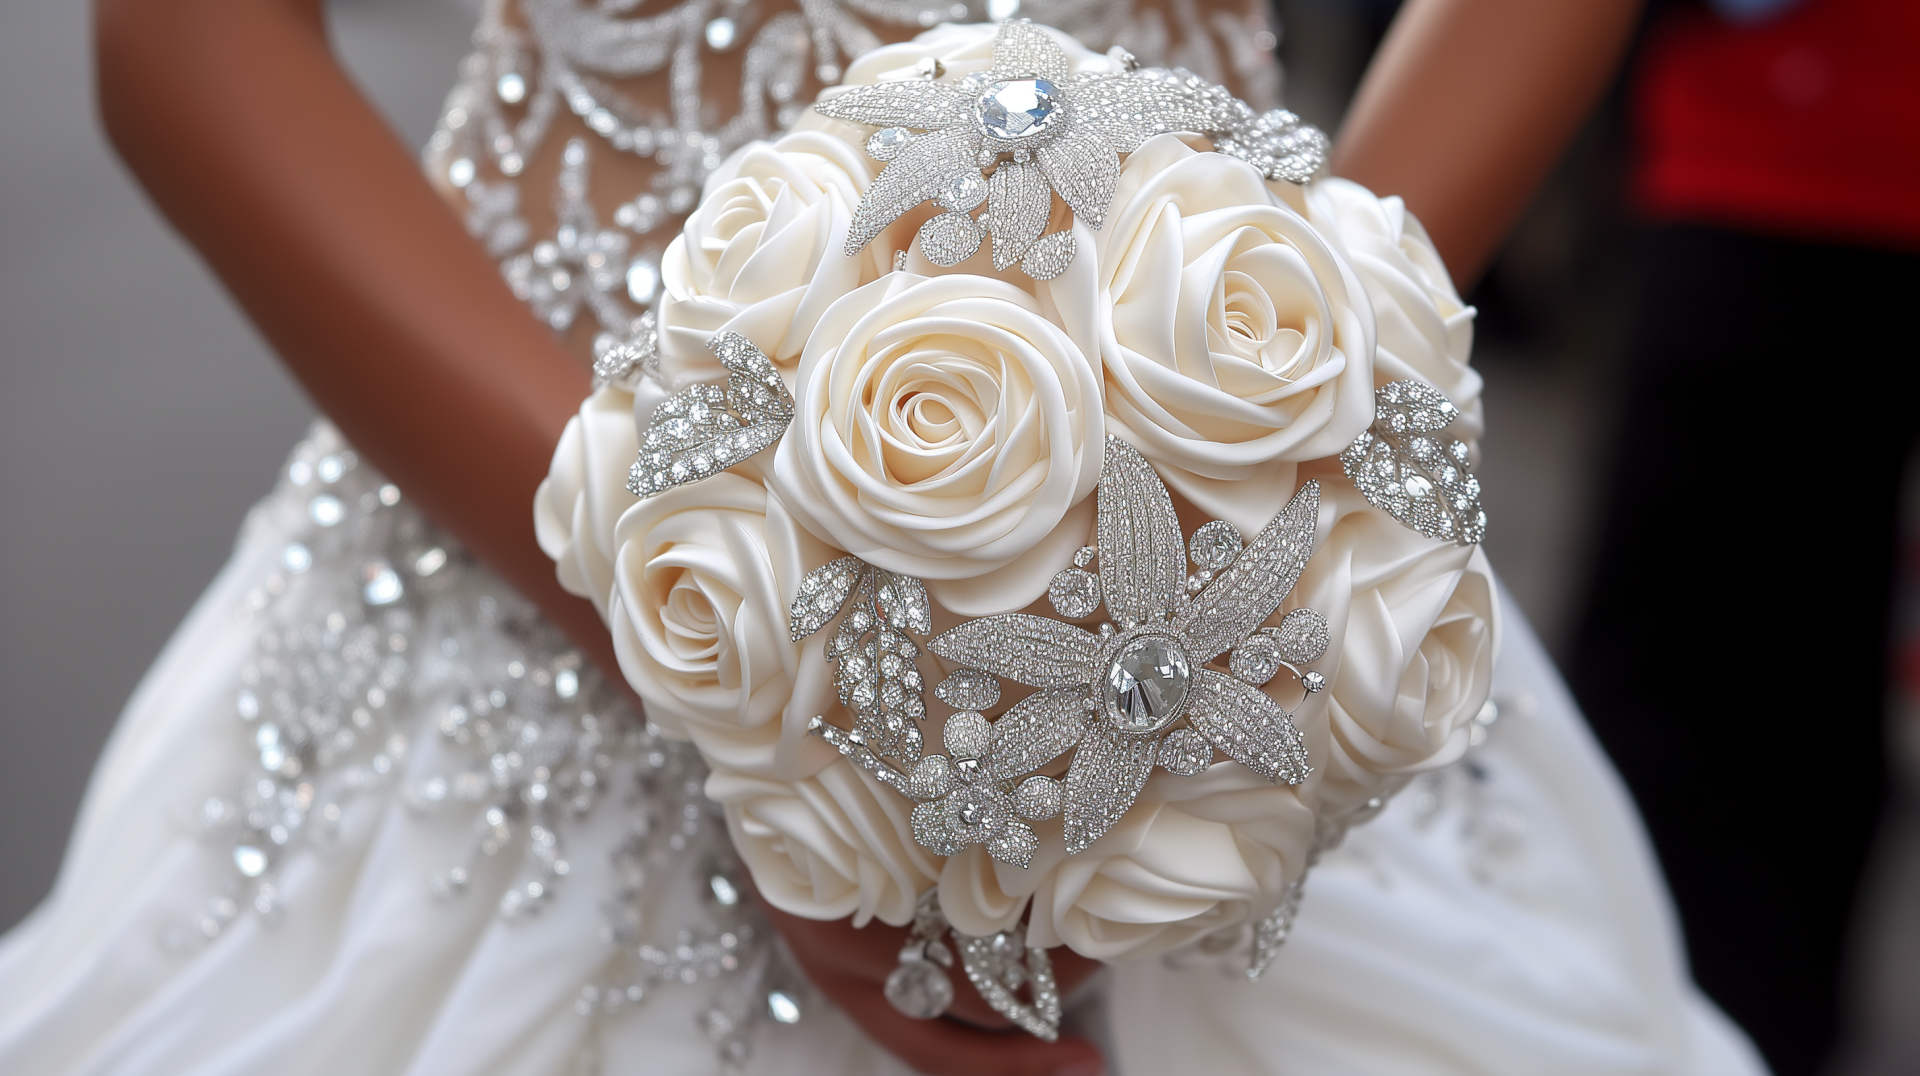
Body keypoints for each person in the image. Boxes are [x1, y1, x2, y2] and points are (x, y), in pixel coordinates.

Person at [0, 0, 1764, 1072]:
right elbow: (182, 37)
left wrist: (1290, 420)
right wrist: (732, 636)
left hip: (1232, 608)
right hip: (509, 559)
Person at [1564, 2, 1920, 1073]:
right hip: (1764, 152)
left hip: (1796, 149)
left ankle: (1712, 1023)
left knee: (1754, 667)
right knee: (1758, 652)